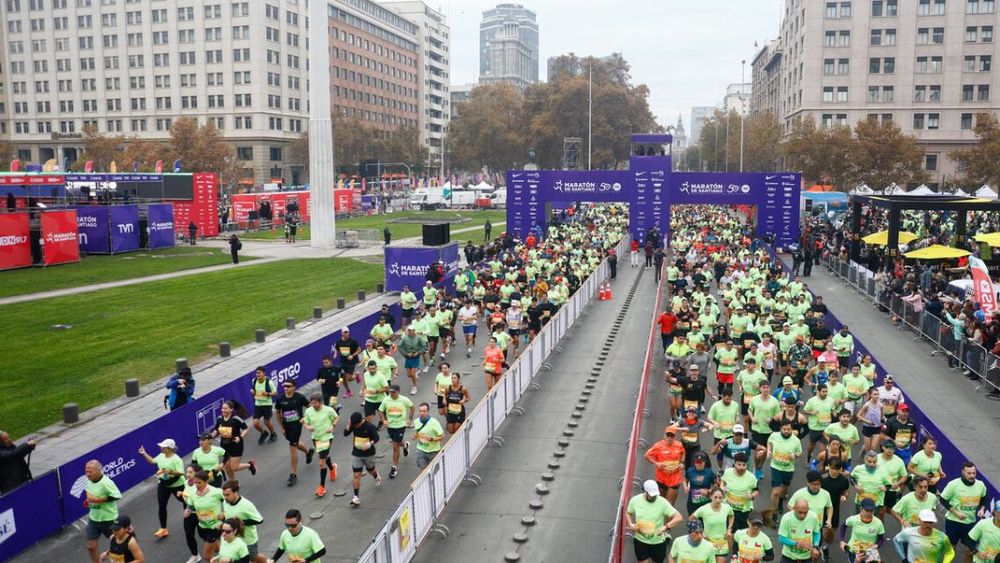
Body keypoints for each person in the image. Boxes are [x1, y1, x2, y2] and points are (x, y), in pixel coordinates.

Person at [137, 439, 186, 539]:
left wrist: (170, 472)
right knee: (162, 506)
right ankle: (163, 529)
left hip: (177, 485)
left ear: (170, 448)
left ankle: (193, 515)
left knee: (187, 502)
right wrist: (144, 453)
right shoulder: (161, 456)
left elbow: (181, 473)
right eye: (161, 446)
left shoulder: (177, 460)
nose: (161, 448)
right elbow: (152, 461)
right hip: (164, 485)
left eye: (163, 447)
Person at [626, 479, 683, 563]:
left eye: (655, 495)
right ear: (645, 491)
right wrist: (630, 524)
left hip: (657, 542)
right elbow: (628, 513)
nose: (654, 497)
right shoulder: (635, 500)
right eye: (651, 495)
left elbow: (679, 517)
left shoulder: (663, 502)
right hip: (640, 540)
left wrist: (665, 527)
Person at [940, 462, 989, 558]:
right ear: (963, 472)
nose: (972, 476)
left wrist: (982, 509)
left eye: (974, 473)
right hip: (954, 522)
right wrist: (956, 513)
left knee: (970, 551)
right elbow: (943, 499)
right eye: (969, 473)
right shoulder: (954, 484)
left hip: (970, 523)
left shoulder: (980, 485)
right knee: (950, 549)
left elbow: (984, 498)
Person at [273, 379, 315, 487]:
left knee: (292, 447)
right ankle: (308, 451)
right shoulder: (280, 399)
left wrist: (305, 418)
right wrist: (281, 427)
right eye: (284, 386)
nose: (286, 388)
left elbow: (311, 408)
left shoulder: (299, 397)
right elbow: (277, 412)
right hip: (286, 426)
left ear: (294, 387)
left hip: (297, 425)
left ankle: (293, 475)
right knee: (294, 442)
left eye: (288, 386)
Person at [763, 420, 803, 528]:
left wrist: (795, 455)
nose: (786, 431)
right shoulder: (774, 436)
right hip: (775, 467)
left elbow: (800, 452)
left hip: (788, 468)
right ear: (780, 429)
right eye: (784, 429)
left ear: (792, 430)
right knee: (776, 492)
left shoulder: (796, 440)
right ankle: (774, 513)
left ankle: (781, 500)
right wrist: (769, 451)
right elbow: (769, 441)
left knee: (784, 489)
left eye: (788, 429)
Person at [84, 459, 123, 563]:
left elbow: (117, 496)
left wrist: (99, 500)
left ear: (98, 470)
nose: (87, 474)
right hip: (94, 519)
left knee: (119, 543)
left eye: (90, 472)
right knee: (91, 546)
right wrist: (88, 501)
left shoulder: (106, 482)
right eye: (86, 471)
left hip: (109, 519)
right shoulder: (88, 480)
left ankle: (108, 554)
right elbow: (90, 493)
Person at [302, 393, 339, 498]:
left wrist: (332, 426)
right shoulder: (308, 411)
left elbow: (336, 418)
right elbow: (305, 422)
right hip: (316, 438)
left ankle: (321, 487)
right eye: (312, 403)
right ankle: (332, 467)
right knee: (324, 456)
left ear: (320, 402)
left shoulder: (328, 410)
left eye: (315, 403)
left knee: (321, 462)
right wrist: (307, 427)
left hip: (327, 437)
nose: (313, 405)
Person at [185, 470, 224, 563]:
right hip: (202, 526)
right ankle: (226, 554)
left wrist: (224, 513)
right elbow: (191, 505)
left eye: (199, 482)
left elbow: (229, 500)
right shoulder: (193, 493)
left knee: (207, 556)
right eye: (195, 482)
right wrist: (188, 510)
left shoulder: (216, 492)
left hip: (215, 526)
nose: (197, 485)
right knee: (217, 549)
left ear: (206, 481)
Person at [344, 411, 381, 506]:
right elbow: (345, 433)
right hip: (356, 453)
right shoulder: (353, 424)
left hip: (369, 454)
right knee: (356, 475)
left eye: (357, 425)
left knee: (371, 470)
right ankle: (356, 497)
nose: (356, 427)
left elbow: (376, 438)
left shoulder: (370, 427)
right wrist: (349, 424)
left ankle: (376, 476)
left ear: (361, 421)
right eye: (354, 425)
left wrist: (370, 443)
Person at [221, 480, 264, 563]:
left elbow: (259, 520)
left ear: (235, 492)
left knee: (250, 561)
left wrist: (241, 522)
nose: (225, 497)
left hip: (248, 541)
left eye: (227, 495)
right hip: (234, 540)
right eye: (224, 495)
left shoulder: (246, 505)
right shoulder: (225, 502)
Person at [212, 401, 257, 480]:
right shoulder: (219, 419)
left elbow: (246, 428)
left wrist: (240, 437)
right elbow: (216, 429)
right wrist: (212, 434)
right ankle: (233, 481)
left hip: (236, 445)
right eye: (222, 408)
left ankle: (250, 465)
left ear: (231, 409)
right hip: (224, 445)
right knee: (227, 466)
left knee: (234, 467)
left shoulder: (236, 419)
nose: (223, 410)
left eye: (226, 409)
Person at [378, 384, 414, 480]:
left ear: (398, 392)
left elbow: (412, 407)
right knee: (397, 442)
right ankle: (405, 445)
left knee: (395, 446)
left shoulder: (404, 400)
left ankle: (394, 468)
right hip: (390, 426)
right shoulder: (386, 400)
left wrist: (409, 419)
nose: (391, 394)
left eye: (393, 392)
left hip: (400, 426)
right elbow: (380, 410)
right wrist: (384, 420)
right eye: (390, 392)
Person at [645, 425, 687, 506]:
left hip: (675, 477)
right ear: (664, 435)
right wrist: (656, 463)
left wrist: (682, 463)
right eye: (668, 435)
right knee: (661, 502)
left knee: (670, 504)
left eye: (672, 436)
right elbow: (647, 456)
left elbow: (683, 452)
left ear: (674, 436)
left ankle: (669, 514)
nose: (670, 438)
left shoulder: (679, 445)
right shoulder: (658, 446)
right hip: (662, 477)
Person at [691, 488, 735, 562]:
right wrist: (701, 532)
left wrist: (729, 528)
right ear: (710, 496)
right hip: (708, 541)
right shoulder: (704, 509)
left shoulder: (727, 508)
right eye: (715, 497)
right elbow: (691, 519)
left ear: (723, 498)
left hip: (721, 543)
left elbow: (732, 515)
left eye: (720, 498)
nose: (718, 500)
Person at [839, 498, 885, 562]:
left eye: (871, 511)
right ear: (861, 509)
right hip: (854, 552)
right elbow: (843, 526)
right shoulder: (854, 519)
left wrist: (877, 545)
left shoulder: (878, 523)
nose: (869, 513)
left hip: (869, 553)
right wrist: (842, 540)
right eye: (867, 510)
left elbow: (881, 539)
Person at [250, 367, 278, 445]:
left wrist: (268, 394)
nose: (257, 375)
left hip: (267, 405)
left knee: (266, 421)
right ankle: (264, 433)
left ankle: (273, 434)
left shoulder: (269, 382)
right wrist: (252, 392)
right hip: (258, 404)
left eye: (259, 373)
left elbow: (276, 393)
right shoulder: (254, 381)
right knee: (255, 423)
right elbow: (254, 391)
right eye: (256, 373)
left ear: (264, 373)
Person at [413, 402, 444, 469]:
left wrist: (432, 439)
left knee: (435, 471)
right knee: (423, 471)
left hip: (433, 451)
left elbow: (442, 436)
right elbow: (418, 432)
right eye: (420, 411)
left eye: (424, 411)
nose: (422, 413)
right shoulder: (416, 421)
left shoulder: (434, 422)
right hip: (421, 450)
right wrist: (415, 436)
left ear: (428, 412)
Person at [398, 326, 427, 395]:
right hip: (408, 357)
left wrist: (418, 352)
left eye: (411, 330)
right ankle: (414, 376)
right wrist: (406, 354)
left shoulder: (418, 338)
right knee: (409, 375)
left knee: (413, 374)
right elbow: (399, 347)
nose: (409, 332)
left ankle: (414, 387)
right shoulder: (405, 338)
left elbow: (424, 346)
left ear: (414, 331)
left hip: (415, 357)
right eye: (408, 330)